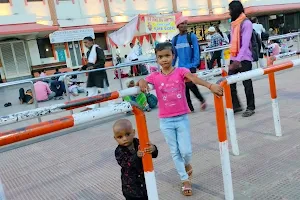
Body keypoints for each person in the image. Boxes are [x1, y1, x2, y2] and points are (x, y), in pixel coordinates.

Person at [137, 42, 223, 196]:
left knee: (186, 151)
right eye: (160, 57)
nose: (164, 59)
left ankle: (187, 164)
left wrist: (210, 86)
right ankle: (185, 180)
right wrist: (141, 81)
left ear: (173, 56)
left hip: (181, 118)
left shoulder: (181, 72)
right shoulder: (155, 76)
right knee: (174, 152)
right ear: (156, 59)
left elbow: (194, 79)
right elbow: (143, 82)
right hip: (165, 121)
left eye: (167, 56)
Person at [114, 119, 158, 200]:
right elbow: (126, 164)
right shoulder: (119, 151)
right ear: (115, 138)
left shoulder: (140, 142)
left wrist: (153, 149)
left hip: (146, 183)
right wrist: (136, 156)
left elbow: (153, 155)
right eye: (120, 137)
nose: (124, 139)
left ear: (133, 132)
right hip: (131, 188)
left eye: (127, 134)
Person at [172, 16, 207, 112]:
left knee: (190, 84)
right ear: (178, 26)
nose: (184, 25)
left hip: (191, 66)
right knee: (185, 87)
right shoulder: (174, 39)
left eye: (185, 23)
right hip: (180, 68)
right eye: (182, 24)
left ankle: (196, 103)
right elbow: (174, 55)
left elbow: (196, 51)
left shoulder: (191, 36)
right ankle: (192, 105)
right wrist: (171, 67)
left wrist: (194, 65)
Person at [228, 0, 256, 117]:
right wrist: (232, 59)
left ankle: (250, 107)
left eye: (230, 10)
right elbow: (232, 43)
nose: (229, 12)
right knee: (230, 83)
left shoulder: (246, 23)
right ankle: (236, 105)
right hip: (234, 57)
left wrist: (238, 60)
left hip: (244, 58)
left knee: (247, 84)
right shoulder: (234, 24)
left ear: (235, 10)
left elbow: (245, 44)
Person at [81, 36, 109, 111]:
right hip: (92, 73)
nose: (85, 44)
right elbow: (90, 63)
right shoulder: (88, 52)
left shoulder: (98, 49)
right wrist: (83, 67)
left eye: (86, 42)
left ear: (91, 41)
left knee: (105, 90)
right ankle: (91, 107)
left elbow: (102, 61)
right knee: (91, 89)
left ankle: (111, 104)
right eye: (84, 43)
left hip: (100, 72)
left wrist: (93, 67)